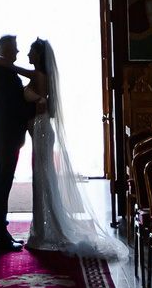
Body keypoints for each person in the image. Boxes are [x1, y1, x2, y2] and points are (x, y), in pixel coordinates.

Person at [24, 38, 123, 260]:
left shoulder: (38, 76)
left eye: (31, 52)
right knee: (42, 177)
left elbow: (15, 69)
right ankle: (42, 227)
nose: (27, 55)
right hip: (41, 128)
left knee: (42, 178)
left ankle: (46, 231)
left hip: (41, 128)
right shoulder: (39, 76)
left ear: (39, 56)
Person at [0, 34, 34, 251]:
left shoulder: (3, 71)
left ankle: (1, 232)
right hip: (5, 137)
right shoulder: (2, 73)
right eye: (15, 48)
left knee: (3, 183)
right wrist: (35, 109)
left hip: (5, 136)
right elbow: (12, 107)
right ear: (5, 49)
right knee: (2, 184)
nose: (18, 52)